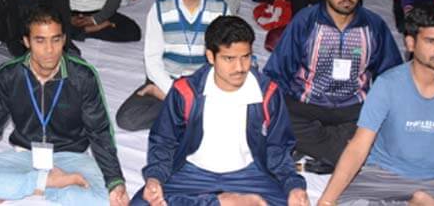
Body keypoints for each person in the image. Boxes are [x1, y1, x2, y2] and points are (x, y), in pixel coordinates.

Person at [0, 6, 129, 206]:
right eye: (40, 41)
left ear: (64, 39)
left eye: (56, 40)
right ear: (27, 42)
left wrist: (115, 181)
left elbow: (99, 132)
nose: (49, 50)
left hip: (71, 157)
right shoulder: (10, 74)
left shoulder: (82, 76)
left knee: (106, 199)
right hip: (26, 155)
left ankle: (25, 187)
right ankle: (47, 183)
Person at [132, 16, 309, 206]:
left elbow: (279, 148)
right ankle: (222, 201)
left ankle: (214, 202)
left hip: (249, 174)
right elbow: (164, 140)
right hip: (193, 172)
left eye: (245, 57)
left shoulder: (267, 93)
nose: (239, 68)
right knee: (142, 203)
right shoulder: (186, 91)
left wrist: (293, 186)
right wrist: (155, 178)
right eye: (229, 58)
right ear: (210, 56)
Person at [264, 0, 403, 172]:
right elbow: (277, 72)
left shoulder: (373, 25)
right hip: (306, 106)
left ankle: (321, 150)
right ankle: (342, 153)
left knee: (385, 127)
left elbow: (391, 75)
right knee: (277, 120)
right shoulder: (305, 21)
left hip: (353, 109)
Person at [318, 3, 434, 205]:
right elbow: (359, 145)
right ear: (410, 43)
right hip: (386, 175)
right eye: (431, 41)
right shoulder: (388, 84)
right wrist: (326, 200)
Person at [116, 0, 228, 132]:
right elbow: (152, 60)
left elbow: (224, 58)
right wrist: (172, 91)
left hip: (202, 84)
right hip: (167, 79)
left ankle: (182, 110)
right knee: (127, 119)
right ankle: (192, 112)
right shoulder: (161, 8)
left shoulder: (220, 9)